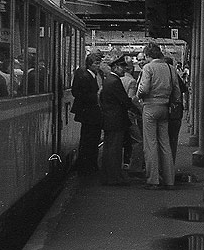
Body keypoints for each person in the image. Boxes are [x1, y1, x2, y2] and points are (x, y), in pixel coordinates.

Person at [137, 42, 175, 189]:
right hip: (165, 108)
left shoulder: (148, 68)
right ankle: (169, 180)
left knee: (150, 144)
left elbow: (144, 88)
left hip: (150, 107)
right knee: (165, 144)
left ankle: (153, 180)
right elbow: (176, 91)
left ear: (147, 55)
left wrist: (139, 95)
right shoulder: (170, 68)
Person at [99, 56, 138, 185]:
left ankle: (108, 176)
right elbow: (124, 100)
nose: (124, 69)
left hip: (109, 119)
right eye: (122, 67)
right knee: (115, 150)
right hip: (116, 120)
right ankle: (114, 178)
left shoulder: (108, 80)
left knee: (109, 149)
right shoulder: (115, 81)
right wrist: (136, 109)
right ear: (115, 67)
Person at [70, 51, 103, 174]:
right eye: (96, 63)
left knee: (92, 139)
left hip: (92, 113)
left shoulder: (95, 74)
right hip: (88, 113)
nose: (98, 66)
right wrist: (96, 97)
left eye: (99, 63)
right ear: (89, 64)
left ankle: (89, 165)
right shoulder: (83, 75)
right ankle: (86, 166)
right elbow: (77, 93)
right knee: (88, 139)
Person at [165, 56, 188, 165]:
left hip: (166, 112)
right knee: (173, 139)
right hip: (176, 113)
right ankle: (170, 164)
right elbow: (184, 89)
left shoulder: (165, 75)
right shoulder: (175, 75)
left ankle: (165, 166)